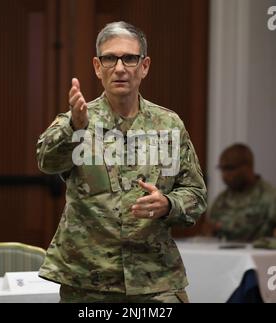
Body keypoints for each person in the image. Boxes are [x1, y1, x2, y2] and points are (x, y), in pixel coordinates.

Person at [36, 21, 207, 303]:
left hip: (155, 278)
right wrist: (73, 128)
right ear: (97, 66)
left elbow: (196, 194)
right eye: (109, 58)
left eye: (129, 58)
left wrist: (168, 204)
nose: (119, 68)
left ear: (144, 66)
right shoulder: (78, 120)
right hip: (89, 281)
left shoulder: (168, 124)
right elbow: (46, 161)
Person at [208, 143, 276, 242]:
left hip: (257, 255)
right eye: (222, 169)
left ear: (248, 167)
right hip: (225, 255)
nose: (224, 175)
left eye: (230, 168)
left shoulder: (270, 196)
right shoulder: (221, 200)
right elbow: (211, 233)